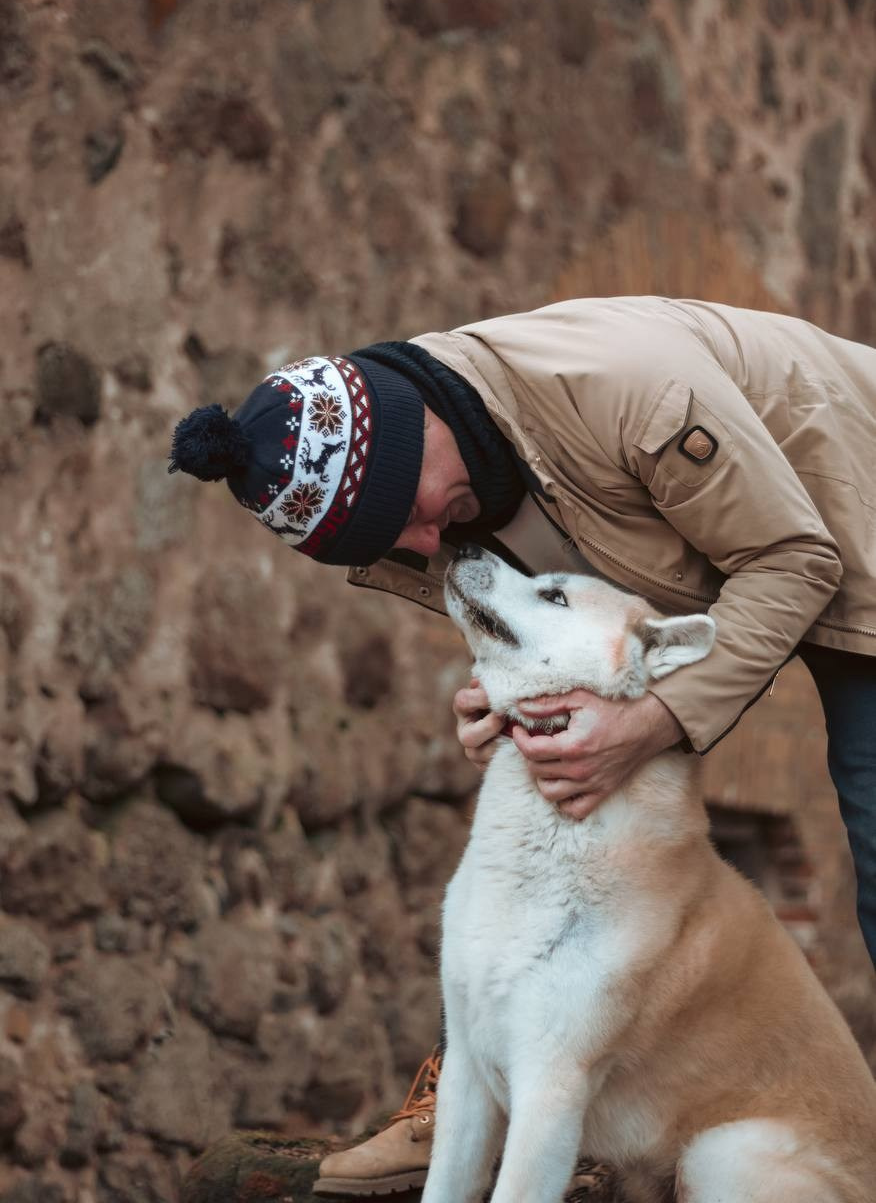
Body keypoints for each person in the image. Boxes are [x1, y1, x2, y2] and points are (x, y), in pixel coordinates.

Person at [170, 295, 876, 1196]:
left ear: (415, 432)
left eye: (410, 514)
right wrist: (501, 703)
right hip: (756, 551)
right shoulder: (441, 471)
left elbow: (793, 561)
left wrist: (655, 718)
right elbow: (563, 635)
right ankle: (470, 1100)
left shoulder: (628, 387)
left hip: (850, 518)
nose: (427, 543)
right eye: (394, 543)